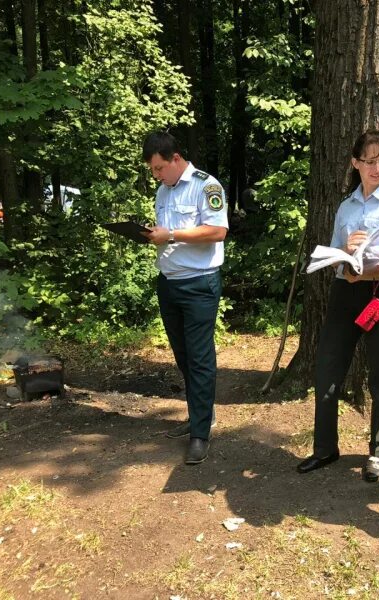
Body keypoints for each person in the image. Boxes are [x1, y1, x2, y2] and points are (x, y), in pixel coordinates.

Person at [297, 130, 379, 482]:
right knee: (327, 370)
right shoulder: (346, 205)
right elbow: (334, 255)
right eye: (370, 162)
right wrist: (348, 252)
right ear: (356, 163)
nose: (377, 168)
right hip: (346, 291)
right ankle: (325, 448)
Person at [142, 132, 228, 465]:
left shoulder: (206, 186)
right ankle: (199, 415)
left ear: (176, 158)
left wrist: (172, 234)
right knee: (183, 356)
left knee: (200, 356)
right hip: (170, 283)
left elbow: (217, 231)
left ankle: (200, 434)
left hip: (199, 285)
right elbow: (168, 233)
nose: (157, 175)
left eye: (160, 168)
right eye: (153, 170)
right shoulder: (164, 191)